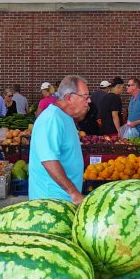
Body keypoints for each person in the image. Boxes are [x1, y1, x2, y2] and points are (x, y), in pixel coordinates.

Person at [29, 75, 89, 204]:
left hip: (63, 200)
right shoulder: (52, 119)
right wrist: (73, 192)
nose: (88, 101)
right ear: (69, 98)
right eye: (85, 96)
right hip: (51, 203)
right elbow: (48, 160)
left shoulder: (65, 117)